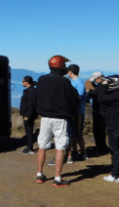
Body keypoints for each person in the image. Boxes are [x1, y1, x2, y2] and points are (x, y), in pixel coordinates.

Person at [35, 55, 79, 187]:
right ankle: (58, 178)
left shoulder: (42, 79)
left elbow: (37, 96)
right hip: (60, 119)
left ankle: (39, 174)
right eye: (64, 65)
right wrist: (70, 113)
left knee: (42, 146)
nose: (66, 67)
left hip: (45, 118)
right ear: (60, 66)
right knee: (60, 147)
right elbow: (75, 98)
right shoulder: (64, 82)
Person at [97, 76, 119, 182]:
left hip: (115, 126)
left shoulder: (115, 97)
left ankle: (115, 174)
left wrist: (103, 86)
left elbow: (101, 98)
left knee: (115, 151)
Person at [67, 64, 88, 161]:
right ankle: (75, 150)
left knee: (78, 132)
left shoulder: (78, 83)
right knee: (73, 132)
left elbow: (78, 98)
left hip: (78, 112)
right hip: (73, 111)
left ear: (70, 72)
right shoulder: (73, 82)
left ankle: (83, 153)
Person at [86, 71, 109, 154]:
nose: (95, 81)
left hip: (100, 111)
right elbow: (96, 89)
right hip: (100, 110)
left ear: (99, 78)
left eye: (95, 80)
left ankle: (101, 148)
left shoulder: (103, 86)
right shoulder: (103, 85)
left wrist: (88, 84)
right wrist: (89, 83)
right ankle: (100, 146)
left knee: (99, 130)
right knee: (99, 130)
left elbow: (94, 92)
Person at [19, 76, 37, 154]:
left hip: (29, 115)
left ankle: (30, 149)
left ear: (27, 82)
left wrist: (28, 115)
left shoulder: (31, 92)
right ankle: (29, 147)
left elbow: (31, 105)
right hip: (27, 114)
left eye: (23, 81)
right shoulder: (28, 91)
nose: (22, 82)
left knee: (29, 131)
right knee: (28, 131)